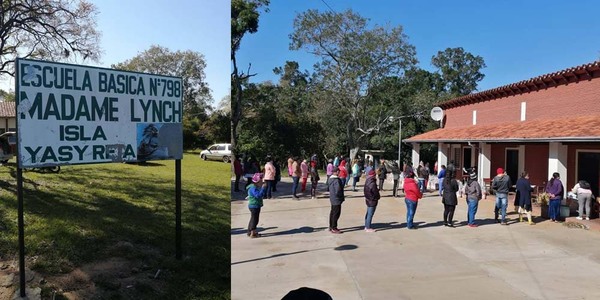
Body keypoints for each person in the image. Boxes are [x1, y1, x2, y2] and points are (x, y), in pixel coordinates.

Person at [247, 173, 266, 238]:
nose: (262, 182)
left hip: (256, 205)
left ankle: (250, 232)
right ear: (257, 182)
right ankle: (252, 233)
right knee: (254, 220)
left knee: (253, 218)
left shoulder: (255, 187)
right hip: (254, 206)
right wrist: (263, 188)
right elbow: (258, 195)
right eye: (261, 181)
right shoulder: (253, 188)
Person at [327, 167, 345, 234]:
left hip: (332, 198)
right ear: (337, 172)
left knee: (332, 213)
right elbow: (338, 190)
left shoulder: (330, 179)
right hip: (336, 199)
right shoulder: (337, 180)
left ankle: (331, 226)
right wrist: (340, 197)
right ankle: (334, 227)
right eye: (339, 171)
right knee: (336, 213)